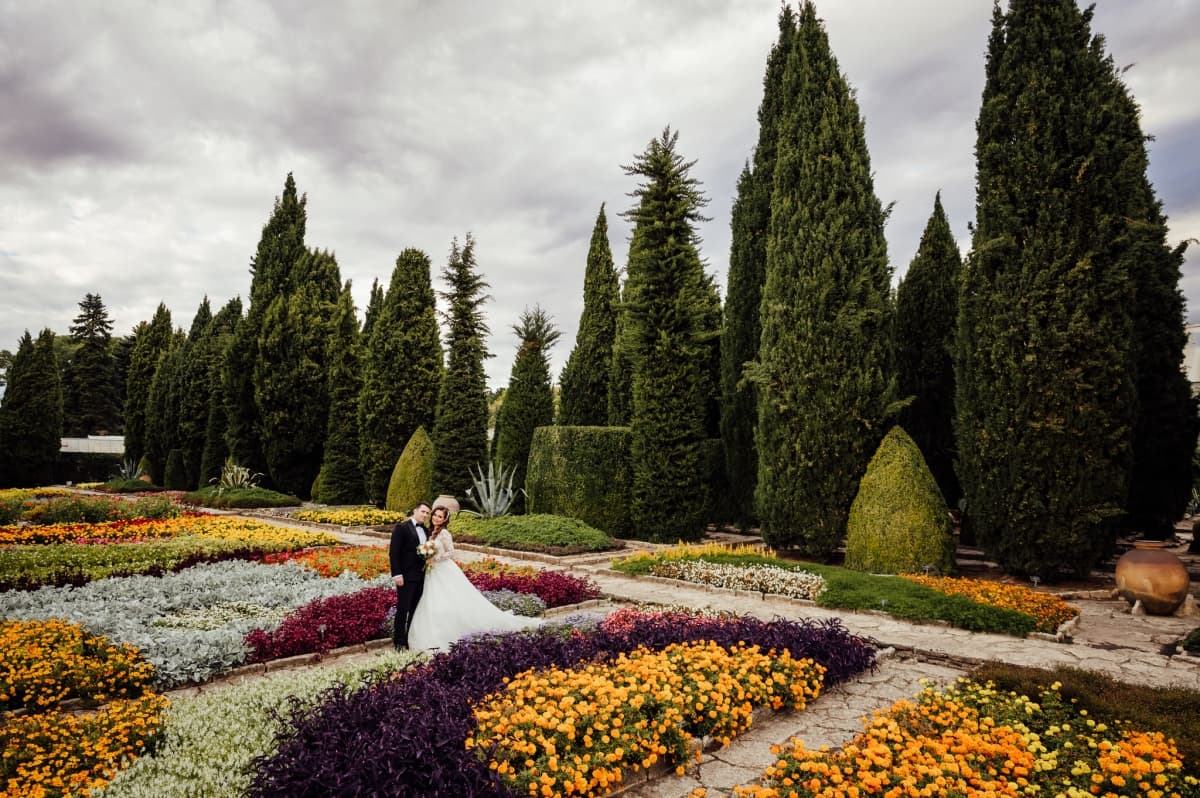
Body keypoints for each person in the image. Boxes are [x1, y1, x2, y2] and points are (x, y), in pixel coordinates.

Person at [408, 505, 541, 651]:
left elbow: (451, 552)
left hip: (444, 569)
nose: (436, 518)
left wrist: (436, 559)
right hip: (432, 572)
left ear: (445, 519)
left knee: (449, 600)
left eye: (440, 516)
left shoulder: (444, 533)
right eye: (435, 515)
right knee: (431, 599)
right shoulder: (430, 532)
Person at [389, 501, 432, 650]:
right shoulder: (402, 528)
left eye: (427, 513)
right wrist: (397, 574)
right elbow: (394, 552)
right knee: (403, 609)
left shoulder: (426, 531)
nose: (425, 515)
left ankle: (409, 639)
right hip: (405, 576)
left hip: (421, 576)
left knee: (415, 609)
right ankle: (399, 641)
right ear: (415, 511)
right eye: (423, 512)